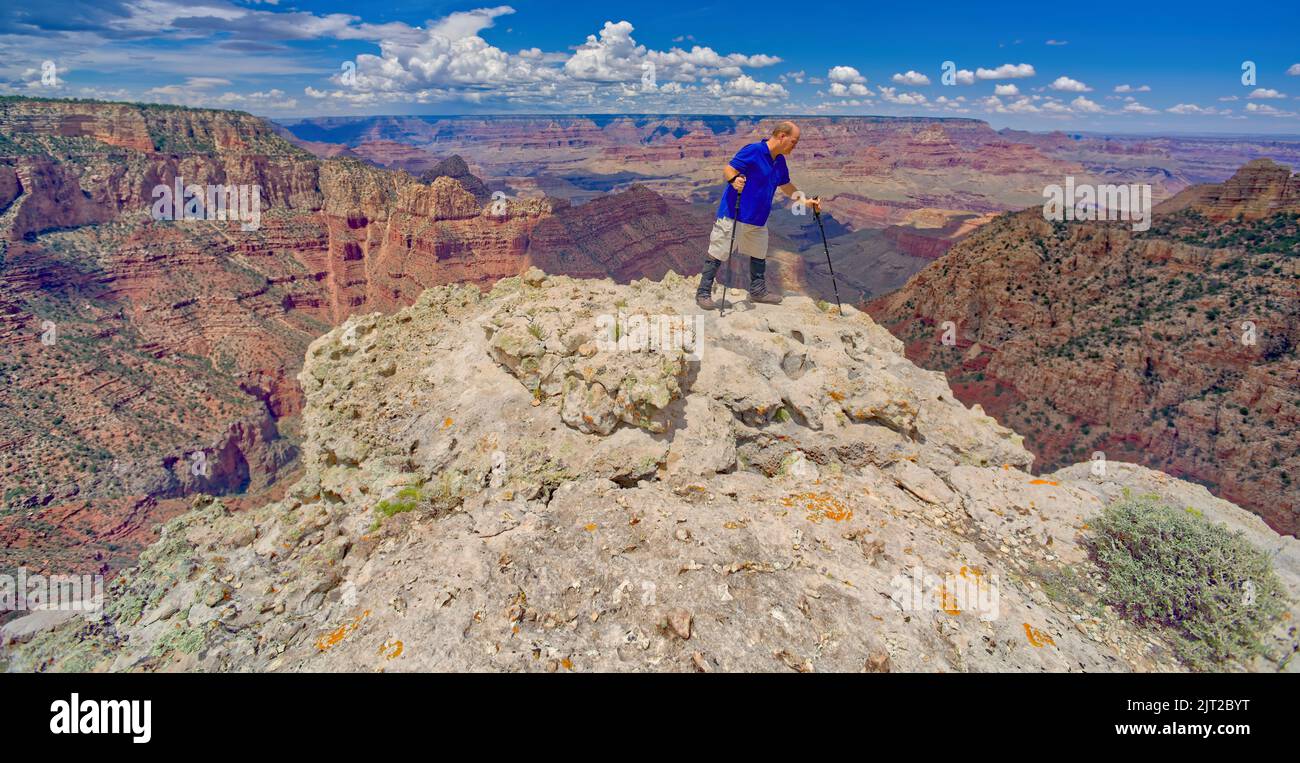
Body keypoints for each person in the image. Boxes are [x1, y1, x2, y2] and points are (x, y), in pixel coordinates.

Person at [696, 121, 822, 310]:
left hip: (758, 218)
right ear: (781, 136)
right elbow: (729, 169)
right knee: (719, 251)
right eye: (793, 141)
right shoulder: (754, 151)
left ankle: (757, 291)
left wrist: (805, 200)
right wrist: (734, 180)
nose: (795, 146)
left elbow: (785, 185)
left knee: (758, 253)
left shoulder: (779, 160)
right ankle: (703, 292)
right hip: (734, 214)